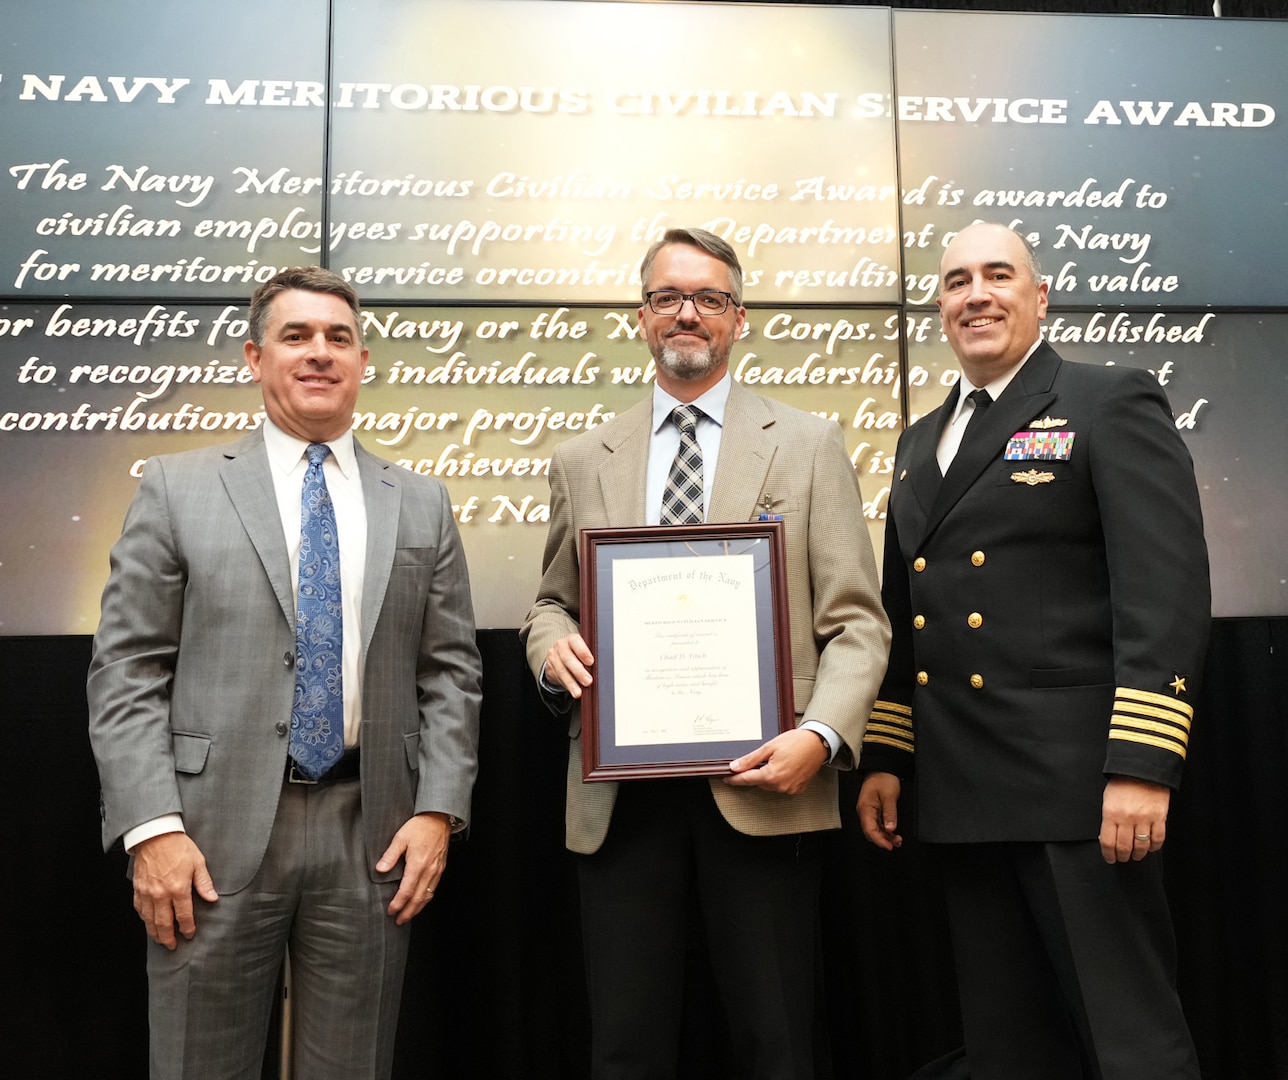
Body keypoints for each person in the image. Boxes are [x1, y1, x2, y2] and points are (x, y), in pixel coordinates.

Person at [87, 267, 482, 1079]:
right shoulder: (176, 487)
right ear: (254, 356)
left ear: (364, 360)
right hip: (206, 836)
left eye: (338, 338)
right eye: (296, 336)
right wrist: (151, 828)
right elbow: (126, 669)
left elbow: (450, 672)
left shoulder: (421, 501)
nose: (319, 353)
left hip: (372, 838)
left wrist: (438, 810)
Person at [521, 227, 890, 1079]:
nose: (687, 313)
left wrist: (821, 737)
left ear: (739, 317)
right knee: (626, 1047)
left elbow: (858, 624)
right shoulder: (583, 459)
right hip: (620, 800)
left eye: (709, 298)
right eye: (667, 298)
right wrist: (551, 652)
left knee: (777, 1044)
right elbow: (550, 603)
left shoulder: (806, 444)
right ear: (640, 318)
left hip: (766, 784)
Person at [857, 222, 1209, 1079]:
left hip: (1078, 791)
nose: (975, 294)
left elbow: (1162, 592)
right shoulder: (917, 444)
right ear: (940, 308)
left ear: (1039, 296)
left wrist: (1142, 765)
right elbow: (909, 616)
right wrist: (887, 756)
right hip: (964, 789)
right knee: (1010, 1049)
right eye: (955, 282)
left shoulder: (1106, 400)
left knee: (1131, 1043)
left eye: (998, 275)